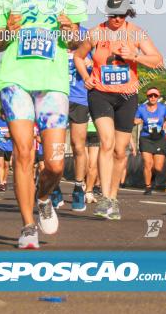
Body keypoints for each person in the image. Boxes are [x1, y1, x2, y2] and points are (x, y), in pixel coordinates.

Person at [0, 0, 87, 248]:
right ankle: (27, 225)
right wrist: (9, 31)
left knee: (56, 164)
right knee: (23, 153)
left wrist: (67, 29)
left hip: (53, 83)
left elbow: (76, 41)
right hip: (15, 80)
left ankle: (44, 197)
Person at [74, 0, 164, 220]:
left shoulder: (136, 34)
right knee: (106, 142)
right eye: (113, 14)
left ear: (127, 14)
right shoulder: (96, 33)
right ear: (107, 13)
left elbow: (158, 61)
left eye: (122, 15)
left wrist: (135, 57)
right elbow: (78, 56)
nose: (117, 19)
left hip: (126, 96)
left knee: (120, 151)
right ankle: (104, 197)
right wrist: (86, 77)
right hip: (100, 94)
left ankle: (113, 197)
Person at [66, 25, 93, 211]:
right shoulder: (51, 32)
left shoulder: (85, 33)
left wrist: (91, 64)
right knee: (55, 147)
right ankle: (53, 189)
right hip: (55, 97)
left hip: (79, 98)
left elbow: (98, 60)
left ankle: (78, 187)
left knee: (78, 145)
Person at [134, 87, 166, 195]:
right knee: (148, 163)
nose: (152, 98)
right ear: (147, 97)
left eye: (155, 96)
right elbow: (134, 119)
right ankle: (148, 187)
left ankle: (152, 178)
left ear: (158, 97)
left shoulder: (163, 108)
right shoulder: (141, 108)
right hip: (146, 138)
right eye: (150, 96)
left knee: (158, 167)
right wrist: (137, 121)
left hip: (159, 138)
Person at [84, 116, 101, 204]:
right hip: (82, 131)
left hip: (96, 132)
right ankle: (82, 184)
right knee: (85, 164)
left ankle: (89, 191)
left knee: (93, 164)